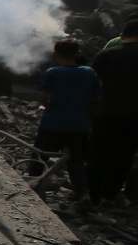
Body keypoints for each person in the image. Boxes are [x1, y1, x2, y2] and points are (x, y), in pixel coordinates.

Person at [90, 17, 138, 204]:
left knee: (98, 152)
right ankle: (110, 193)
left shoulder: (107, 55)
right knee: (124, 155)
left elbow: (91, 85)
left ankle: (93, 193)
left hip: (105, 113)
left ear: (124, 33)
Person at [28, 39, 98, 200]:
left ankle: (33, 189)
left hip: (53, 123)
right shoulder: (89, 73)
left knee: (40, 156)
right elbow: (95, 99)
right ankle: (82, 194)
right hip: (79, 125)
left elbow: (44, 99)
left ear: (55, 54)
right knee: (76, 161)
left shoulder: (53, 72)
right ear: (77, 53)